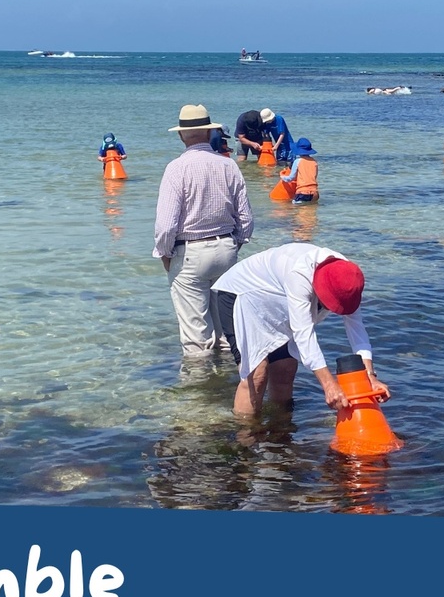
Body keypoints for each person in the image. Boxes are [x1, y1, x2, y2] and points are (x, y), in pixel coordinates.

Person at [212, 243, 389, 416]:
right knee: (257, 375)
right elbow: (304, 335)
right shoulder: (299, 274)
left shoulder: (349, 278)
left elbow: (357, 330)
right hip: (243, 295)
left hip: (277, 302)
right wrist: (329, 385)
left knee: (286, 369)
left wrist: (370, 376)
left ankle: (280, 433)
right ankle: (246, 438)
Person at [154, 105, 254, 357]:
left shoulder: (176, 168)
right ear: (210, 133)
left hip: (190, 252)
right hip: (226, 249)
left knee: (196, 339)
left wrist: (165, 255)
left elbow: (166, 225)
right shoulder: (229, 166)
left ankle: (199, 394)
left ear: (180, 135)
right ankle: (229, 387)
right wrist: (233, 245)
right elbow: (245, 219)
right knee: (226, 331)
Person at [281, 138, 319, 203]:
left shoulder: (297, 161)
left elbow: (291, 178)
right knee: (311, 211)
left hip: (303, 192)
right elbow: (312, 177)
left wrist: (282, 176)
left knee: (295, 209)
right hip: (315, 193)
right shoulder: (314, 162)